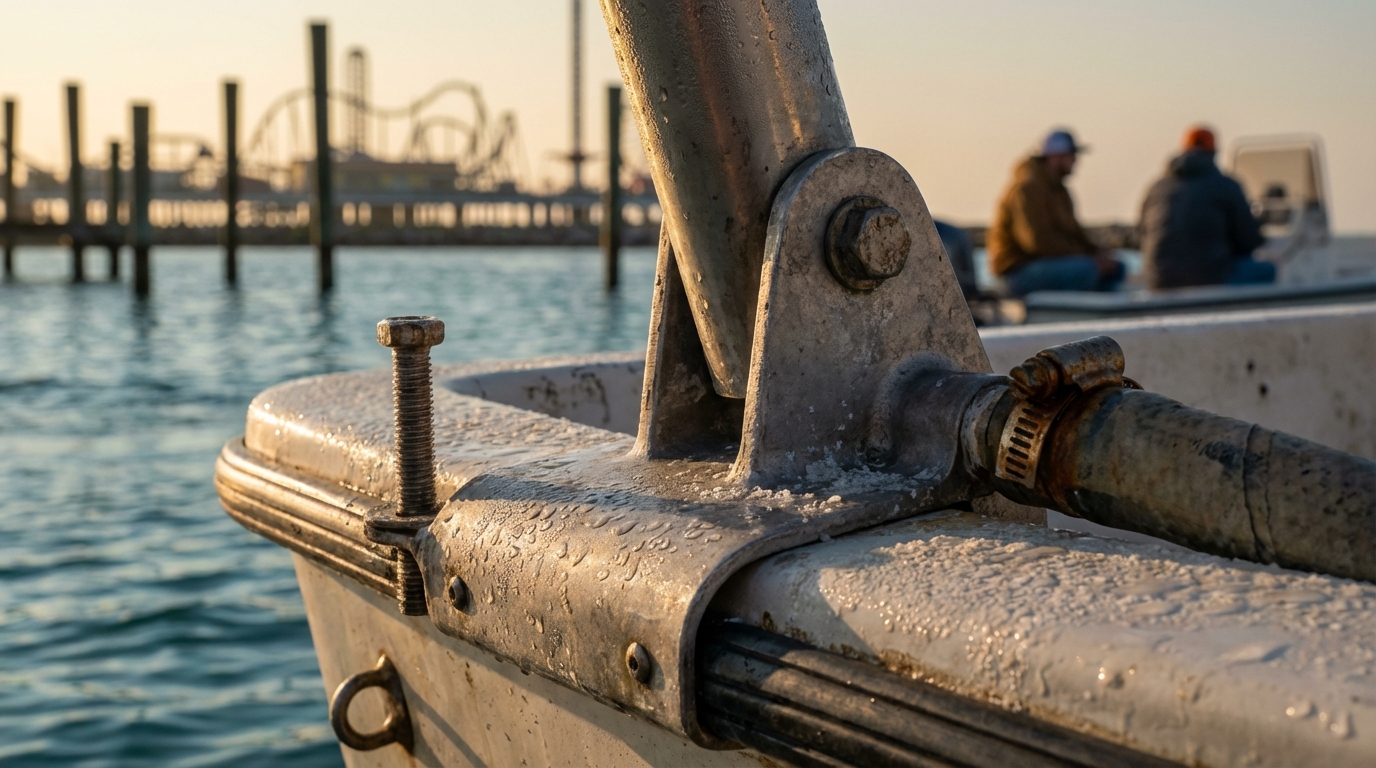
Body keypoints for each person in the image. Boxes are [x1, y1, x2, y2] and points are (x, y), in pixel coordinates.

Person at [987, 129, 1124, 297]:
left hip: (1046, 264)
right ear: (1055, 156)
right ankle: (1072, 315)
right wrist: (1088, 258)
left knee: (1117, 267)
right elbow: (1036, 242)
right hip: (1017, 271)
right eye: (1072, 154)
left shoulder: (1060, 191)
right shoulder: (1027, 189)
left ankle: (1101, 315)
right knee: (1086, 269)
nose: (1076, 160)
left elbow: (1075, 234)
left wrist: (1097, 253)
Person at [1139, 126, 1274, 289]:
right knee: (1267, 270)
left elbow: (1141, 234)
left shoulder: (1157, 187)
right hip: (1210, 278)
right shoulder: (1225, 185)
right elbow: (1247, 241)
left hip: (1159, 280)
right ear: (1213, 151)